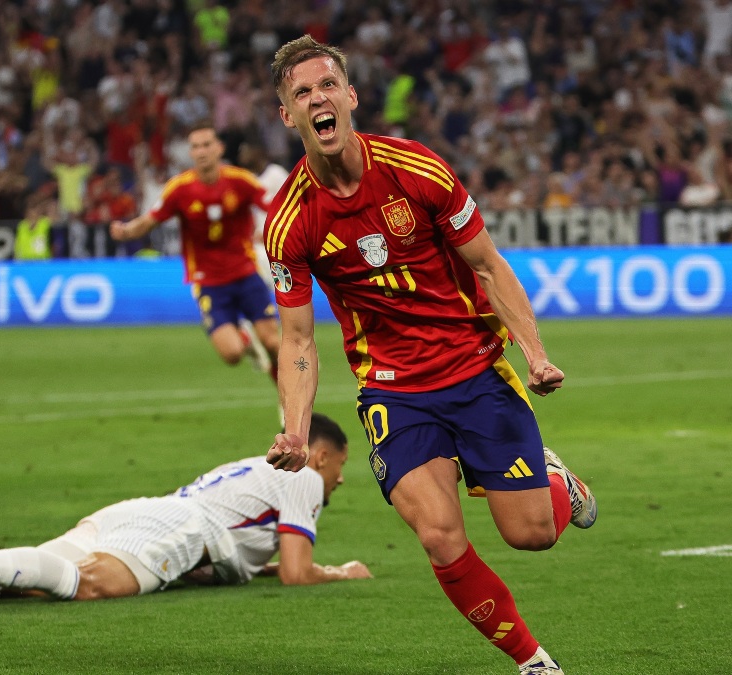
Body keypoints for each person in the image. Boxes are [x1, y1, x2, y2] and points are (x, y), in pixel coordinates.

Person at [261, 36, 597, 675]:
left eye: (327, 85)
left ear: (351, 96)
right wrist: (296, 432)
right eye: (301, 93)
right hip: (394, 388)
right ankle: (535, 663)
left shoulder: (417, 169)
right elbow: (298, 338)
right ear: (288, 116)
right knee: (441, 536)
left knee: (531, 534)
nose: (317, 100)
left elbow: (489, 266)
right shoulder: (288, 222)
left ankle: (557, 482)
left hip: (474, 367)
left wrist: (535, 354)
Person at [0, 413, 371, 613]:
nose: (340, 479)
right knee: (88, 584)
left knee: (25, 577)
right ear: (321, 454)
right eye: (339, 466)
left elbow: (259, 557)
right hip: (183, 531)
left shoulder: (257, 470)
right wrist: (341, 572)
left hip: (143, 512)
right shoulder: (302, 474)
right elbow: (299, 575)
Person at [110, 120, 279, 379]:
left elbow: (277, 209)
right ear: (190, 153)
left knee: (274, 344)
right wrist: (126, 231)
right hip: (208, 281)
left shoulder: (240, 181)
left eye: (206, 145)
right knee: (232, 354)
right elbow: (150, 220)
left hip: (246, 273)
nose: (201, 151)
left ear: (219, 149)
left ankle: (288, 406)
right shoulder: (180, 189)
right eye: (196, 147)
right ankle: (245, 339)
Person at [238, 139, 290, 284]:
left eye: (246, 150)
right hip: (257, 242)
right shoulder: (248, 179)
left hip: (279, 239)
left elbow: (291, 206)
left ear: (257, 152)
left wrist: (269, 231)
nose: (242, 154)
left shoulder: (276, 173)